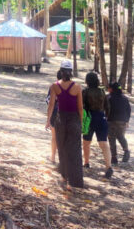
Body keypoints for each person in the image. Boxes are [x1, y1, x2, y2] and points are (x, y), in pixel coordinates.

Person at [45, 59, 84, 190]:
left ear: (60, 71)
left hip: (60, 119)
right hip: (74, 120)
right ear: (71, 72)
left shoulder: (54, 86)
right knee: (74, 150)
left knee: (62, 148)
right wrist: (82, 122)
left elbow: (51, 105)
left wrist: (48, 120)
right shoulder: (77, 87)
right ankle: (74, 182)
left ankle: (64, 177)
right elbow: (80, 107)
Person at [82, 71, 113, 178]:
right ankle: (108, 166)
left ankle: (86, 163)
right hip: (101, 117)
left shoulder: (85, 92)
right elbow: (107, 107)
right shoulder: (102, 91)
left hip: (89, 118)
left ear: (87, 81)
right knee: (104, 143)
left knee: (86, 142)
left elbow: (81, 106)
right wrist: (106, 118)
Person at [107, 81, 131, 164]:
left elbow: (105, 109)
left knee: (111, 138)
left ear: (112, 89)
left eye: (109, 88)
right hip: (122, 121)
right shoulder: (124, 98)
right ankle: (126, 151)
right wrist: (127, 120)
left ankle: (113, 157)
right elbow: (128, 110)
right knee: (121, 137)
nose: (108, 89)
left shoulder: (108, 97)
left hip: (111, 121)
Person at [46, 68, 65, 163]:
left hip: (55, 113)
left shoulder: (53, 87)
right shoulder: (73, 87)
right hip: (68, 115)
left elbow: (49, 102)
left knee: (54, 137)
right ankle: (64, 160)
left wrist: (48, 119)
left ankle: (53, 157)